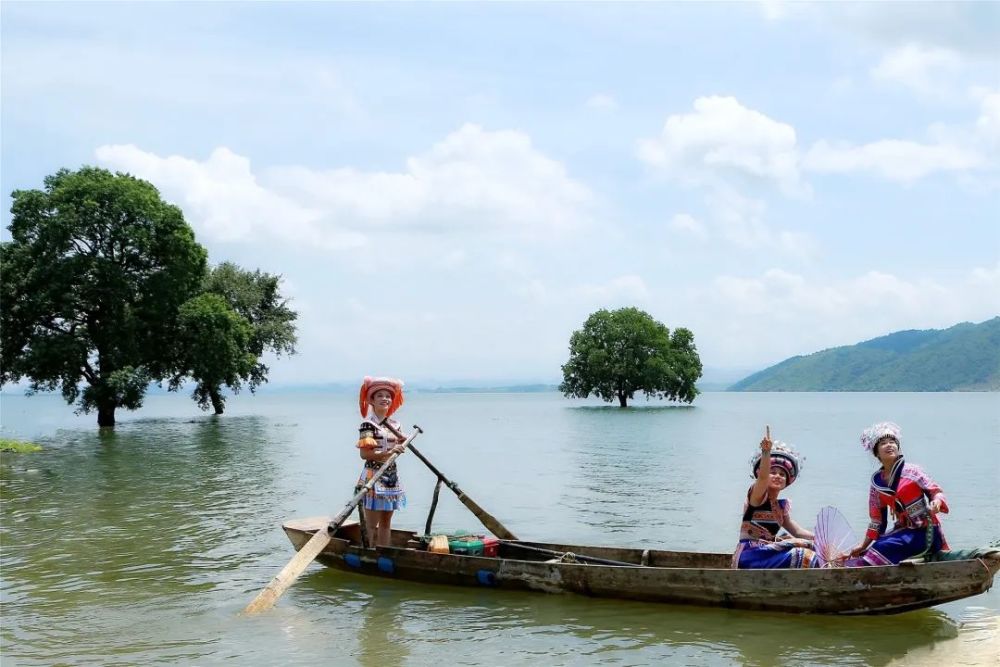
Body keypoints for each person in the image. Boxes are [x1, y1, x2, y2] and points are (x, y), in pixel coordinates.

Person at [843, 421, 949, 566]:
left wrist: (936, 503)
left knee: (882, 547)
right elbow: (877, 521)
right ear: (876, 453)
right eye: (883, 443)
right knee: (870, 551)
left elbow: (936, 492)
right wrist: (863, 545)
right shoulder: (876, 484)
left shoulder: (913, 472)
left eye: (892, 442)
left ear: (898, 447)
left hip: (925, 531)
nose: (889, 445)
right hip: (902, 532)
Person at [732, 427, 817, 569]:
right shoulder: (757, 497)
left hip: (768, 553)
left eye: (782, 474)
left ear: (787, 481)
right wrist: (766, 452)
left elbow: (798, 532)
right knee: (802, 555)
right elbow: (763, 478)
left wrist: (820, 539)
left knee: (813, 548)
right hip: (751, 555)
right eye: (773, 472)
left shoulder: (780, 508)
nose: (778, 476)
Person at [356, 376, 407, 547]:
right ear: (372, 400)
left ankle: (385, 554)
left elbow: (399, 445)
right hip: (373, 476)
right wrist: (390, 451)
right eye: (380, 395)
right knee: (371, 524)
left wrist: (401, 443)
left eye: (388, 396)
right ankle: (369, 554)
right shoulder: (367, 425)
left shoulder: (396, 424)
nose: (385, 399)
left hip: (391, 476)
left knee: (386, 523)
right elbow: (365, 454)